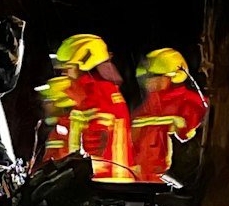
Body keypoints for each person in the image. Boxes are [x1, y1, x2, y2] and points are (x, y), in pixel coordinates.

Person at [36, 33, 136, 181]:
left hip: (103, 182)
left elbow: (95, 144)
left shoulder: (98, 94)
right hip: (103, 181)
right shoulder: (91, 94)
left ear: (84, 64)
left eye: (68, 67)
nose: (64, 73)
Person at [129, 47, 207, 182]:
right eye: (147, 77)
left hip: (175, 179)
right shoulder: (145, 106)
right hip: (140, 177)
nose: (150, 82)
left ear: (173, 76)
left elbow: (190, 141)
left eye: (156, 77)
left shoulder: (191, 102)